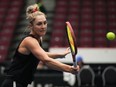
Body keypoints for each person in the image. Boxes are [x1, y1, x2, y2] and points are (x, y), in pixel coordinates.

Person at [1, 4, 80, 87]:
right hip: (13, 83)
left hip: (21, 83)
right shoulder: (29, 41)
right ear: (31, 26)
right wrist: (69, 69)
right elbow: (46, 60)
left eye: (45, 23)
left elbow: (41, 54)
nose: (43, 27)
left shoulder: (39, 39)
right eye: (39, 24)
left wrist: (60, 55)